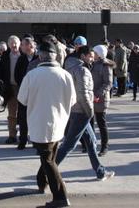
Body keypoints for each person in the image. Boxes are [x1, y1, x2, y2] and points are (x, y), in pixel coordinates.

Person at [17, 40, 76, 208]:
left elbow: (22, 99)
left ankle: (60, 196)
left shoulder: (32, 75)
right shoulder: (65, 75)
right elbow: (73, 100)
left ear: (40, 57)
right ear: (55, 56)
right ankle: (42, 182)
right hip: (59, 122)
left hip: (39, 122)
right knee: (50, 157)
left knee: (48, 160)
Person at [54, 43, 115, 180]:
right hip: (82, 111)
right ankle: (47, 171)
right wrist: (90, 112)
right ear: (83, 56)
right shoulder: (82, 70)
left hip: (75, 109)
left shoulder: (69, 66)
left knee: (91, 141)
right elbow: (83, 94)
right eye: (90, 56)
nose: (92, 59)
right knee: (69, 145)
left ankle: (100, 172)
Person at [0, 35, 23, 145]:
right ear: (8, 45)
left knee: (24, 114)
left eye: (15, 43)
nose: (13, 45)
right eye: (11, 43)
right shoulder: (5, 56)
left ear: (19, 43)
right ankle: (12, 136)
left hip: (22, 88)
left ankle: (24, 135)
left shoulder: (23, 55)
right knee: (12, 114)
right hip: (10, 88)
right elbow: (0, 72)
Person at [90, 44, 114, 156]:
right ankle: (90, 144)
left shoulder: (105, 65)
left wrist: (98, 94)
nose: (92, 54)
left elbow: (108, 83)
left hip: (101, 99)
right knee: (89, 123)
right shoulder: (92, 64)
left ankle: (105, 146)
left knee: (101, 123)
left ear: (99, 54)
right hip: (91, 97)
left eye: (94, 53)